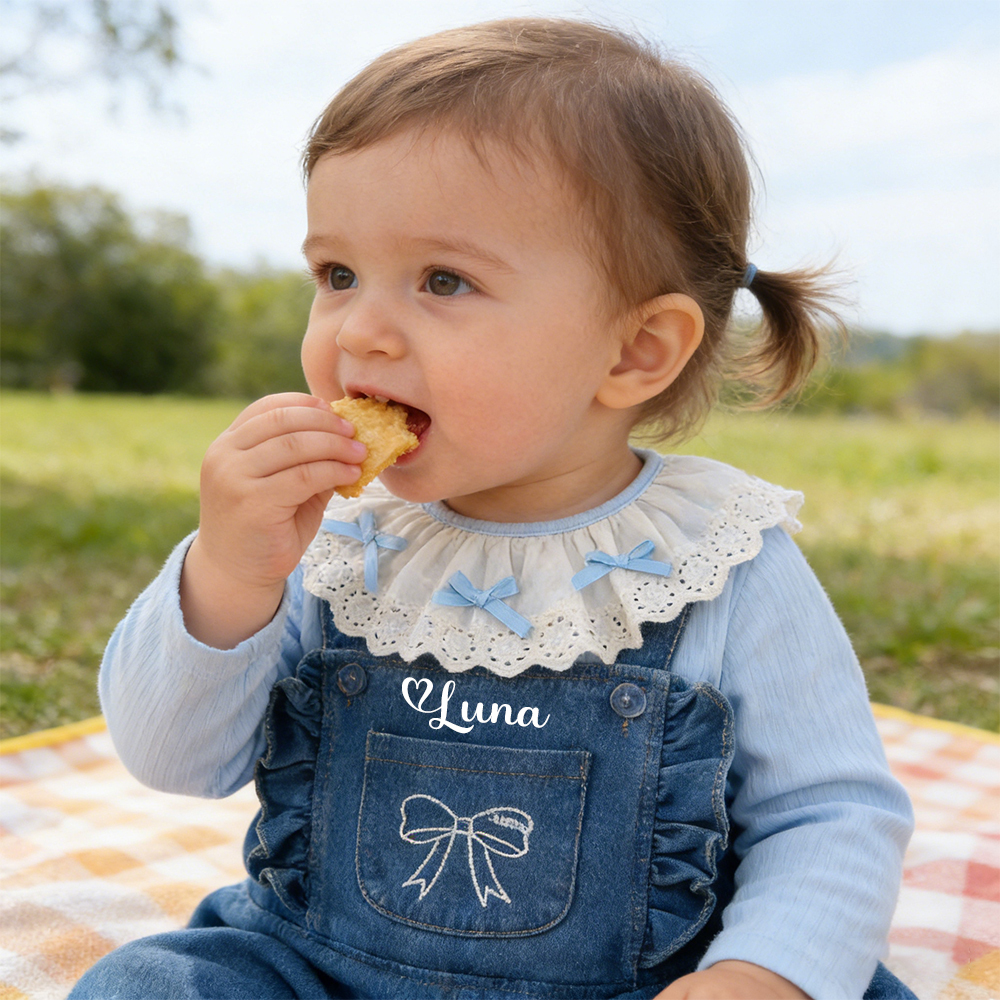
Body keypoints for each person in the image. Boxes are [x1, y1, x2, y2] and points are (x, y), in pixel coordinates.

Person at [70, 18, 917, 1000]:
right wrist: (225, 575)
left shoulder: (718, 559)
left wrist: (761, 974)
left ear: (635, 351)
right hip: (317, 970)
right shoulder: (328, 538)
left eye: (442, 280)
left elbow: (830, 812)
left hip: (638, 983)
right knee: (148, 985)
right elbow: (172, 761)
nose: (361, 330)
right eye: (336, 273)